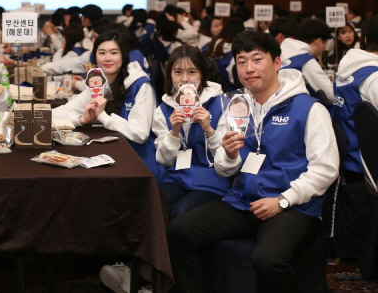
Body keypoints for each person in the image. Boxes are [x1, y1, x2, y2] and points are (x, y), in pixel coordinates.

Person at [167, 30, 339, 293]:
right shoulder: (238, 107)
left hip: (293, 206)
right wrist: (230, 155)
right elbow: (225, 169)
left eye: (257, 59)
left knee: (268, 259)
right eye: (242, 61)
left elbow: (326, 169)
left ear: (277, 63)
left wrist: (283, 200)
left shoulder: (309, 109)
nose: (249, 68)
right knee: (179, 232)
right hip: (244, 202)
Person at [53, 29, 164, 182]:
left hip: (139, 163)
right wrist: (81, 119)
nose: (107, 58)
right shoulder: (99, 83)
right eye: (102, 53)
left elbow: (140, 133)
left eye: (113, 53)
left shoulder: (140, 84)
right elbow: (59, 113)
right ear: (95, 57)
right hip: (108, 158)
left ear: (123, 56)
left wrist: (103, 116)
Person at [152, 45, 229, 220]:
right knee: (154, 206)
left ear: (202, 74)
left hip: (212, 181)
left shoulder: (222, 104)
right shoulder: (163, 109)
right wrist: (174, 132)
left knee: (182, 212)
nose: (185, 79)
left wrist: (209, 129)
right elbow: (164, 160)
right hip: (177, 177)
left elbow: (227, 158)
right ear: (169, 75)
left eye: (192, 72)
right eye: (178, 72)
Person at [330, 15, 378, 263]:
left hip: (349, 161)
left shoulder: (348, 67)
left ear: (364, 39)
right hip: (367, 166)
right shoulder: (374, 78)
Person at [280, 18, 333, 103]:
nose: (324, 49)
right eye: (325, 44)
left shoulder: (282, 53)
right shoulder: (307, 62)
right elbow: (330, 94)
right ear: (318, 42)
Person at [205, 18, 245, 90]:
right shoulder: (235, 54)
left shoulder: (208, 45)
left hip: (210, 89)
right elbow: (235, 80)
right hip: (230, 93)